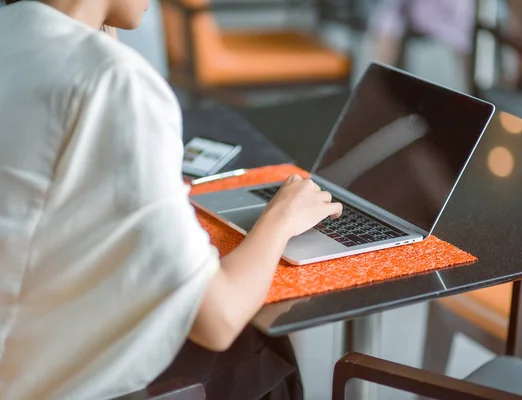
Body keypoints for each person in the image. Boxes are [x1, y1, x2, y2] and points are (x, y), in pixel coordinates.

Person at [0, 1, 342, 399]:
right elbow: (219, 318)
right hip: (41, 379)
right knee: (258, 348)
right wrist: (281, 218)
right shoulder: (114, 81)